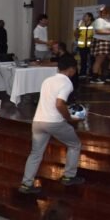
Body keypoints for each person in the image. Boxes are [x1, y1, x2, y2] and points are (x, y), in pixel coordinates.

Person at [19, 54, 84, 193]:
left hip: (37, 121)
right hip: (53, 122)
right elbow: (59, 104)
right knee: (75, 144)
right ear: (72, 69)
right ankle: (68, 176)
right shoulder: (67, 83)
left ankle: (26, 184)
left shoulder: (47, 80)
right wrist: (69, 118)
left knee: (35, 153)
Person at [90, 6, 110, 84]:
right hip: (101, 41)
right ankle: (94, 77)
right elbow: (98, 31)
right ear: (106, 12)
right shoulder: (99, 20)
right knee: (99, 60)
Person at [74, 12, 94, 77]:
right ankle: (83, 73)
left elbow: (95, 35)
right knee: (83, 60)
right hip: (82, 46)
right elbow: (76, 34)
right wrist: (77, 33)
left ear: (90, 17)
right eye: (84, 16)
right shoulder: (81, 24)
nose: (84, 17)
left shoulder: (94, 25)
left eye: (85, 16)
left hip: (91, 45)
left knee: (92, 60)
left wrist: (91, 38)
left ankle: (92, 73)